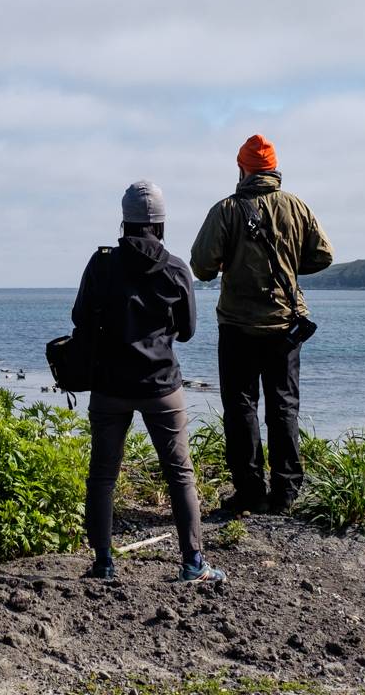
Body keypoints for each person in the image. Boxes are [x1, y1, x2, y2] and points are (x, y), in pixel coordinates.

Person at [73, 180, 225, 584]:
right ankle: (193, 563)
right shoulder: (176, 268)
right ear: (160, 223)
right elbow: (189, 331)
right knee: (180, 474)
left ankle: (103, 563)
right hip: (161, 385)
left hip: (109, 385)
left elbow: (80, 319)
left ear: (124, 222)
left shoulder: (101, 263)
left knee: (103, 475)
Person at [190, 135, 333, 515]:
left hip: (237, 325)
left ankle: (250, 491)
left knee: (240, 407)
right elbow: (323, 255)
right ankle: (286, 492)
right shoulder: (296, 207)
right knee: (284, 406)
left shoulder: (226, 210)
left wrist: (229, 264)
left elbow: (201, 266)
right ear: (273, 170)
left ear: (242, 168)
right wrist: (287, 265)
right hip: (285, 323)